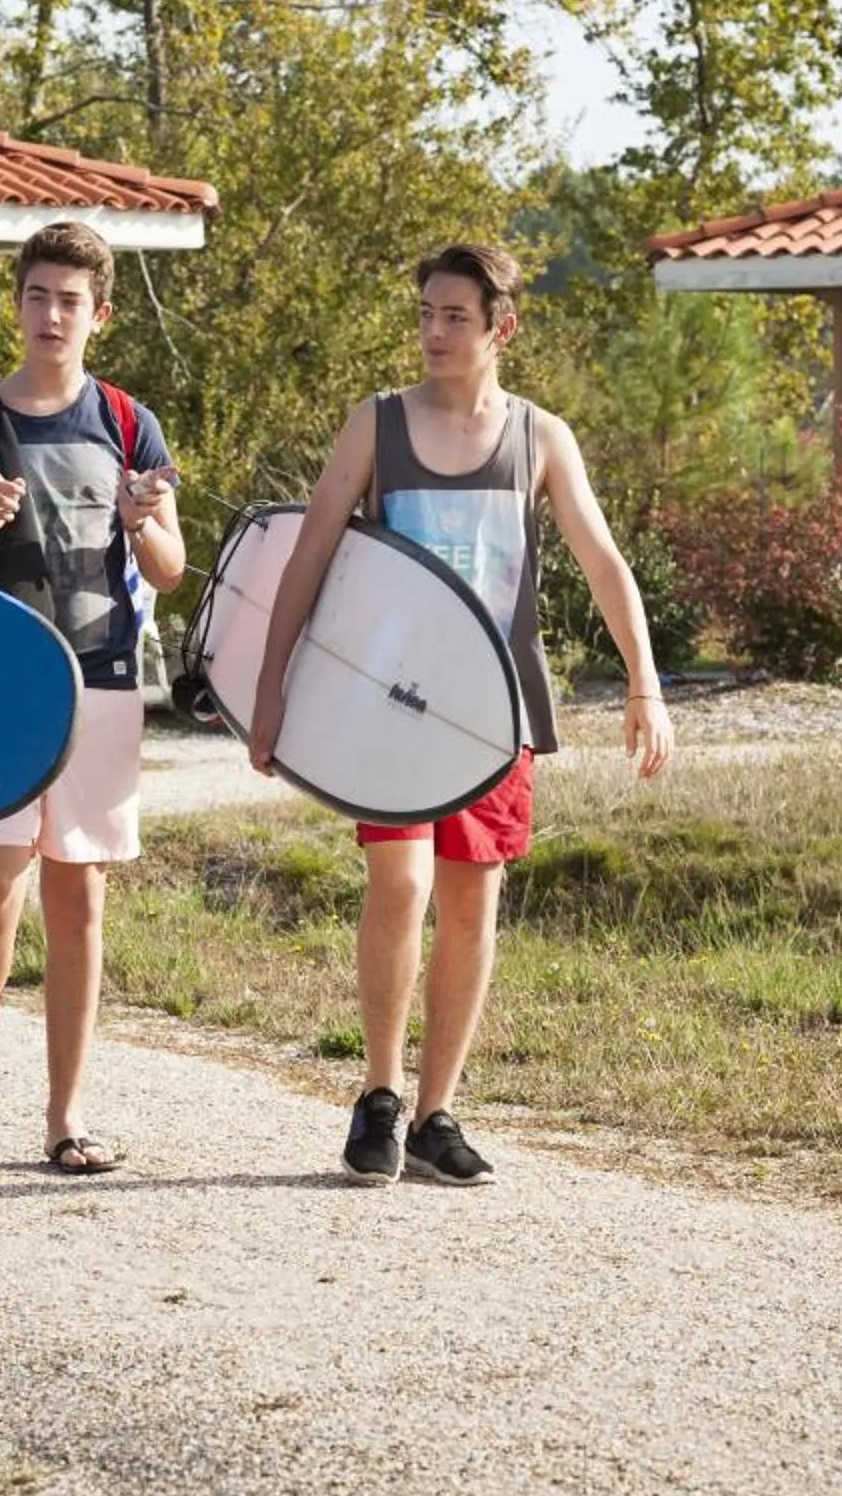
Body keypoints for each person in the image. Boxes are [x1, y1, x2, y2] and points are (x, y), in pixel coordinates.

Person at [247, 241, 673, 1187]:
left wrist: (643, 682)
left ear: (500, 329)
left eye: (455, 318)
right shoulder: (377, 425)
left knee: (473, 903)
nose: (434, 333)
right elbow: (310, 554)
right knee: (399, 884)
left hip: (494, 713)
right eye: (427, 315)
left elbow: (605, 564)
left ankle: (438, 1112)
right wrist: (269, 691)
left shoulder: (540, 438)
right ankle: (380, 1094)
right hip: (386, 707)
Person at [0, 222, 183, 1174]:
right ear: (15, 305)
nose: (51, 315)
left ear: (101, 314)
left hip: (100, 682)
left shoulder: (131, 425)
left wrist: (144, 525)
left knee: (79, 899)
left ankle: (67, 1116)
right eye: (36, 296)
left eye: (70, 300)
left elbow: (170, 571)